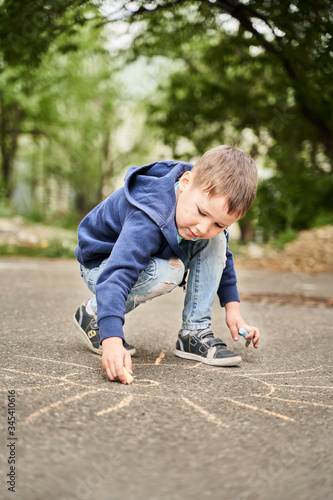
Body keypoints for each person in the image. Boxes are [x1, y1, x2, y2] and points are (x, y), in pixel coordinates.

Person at [73, 145, 260, 384]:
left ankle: (194, 332)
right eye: (201, 212)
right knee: (169, 272)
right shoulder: (148, 217)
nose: (204, 227)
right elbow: (117, 275)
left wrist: (234, 312)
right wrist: (112, 341)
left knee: (216, 242)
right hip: (102, 266)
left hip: (127, 262)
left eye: (219, 223)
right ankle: (93, 313)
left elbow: (225, 258)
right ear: (185, 182)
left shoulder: (199, 208)